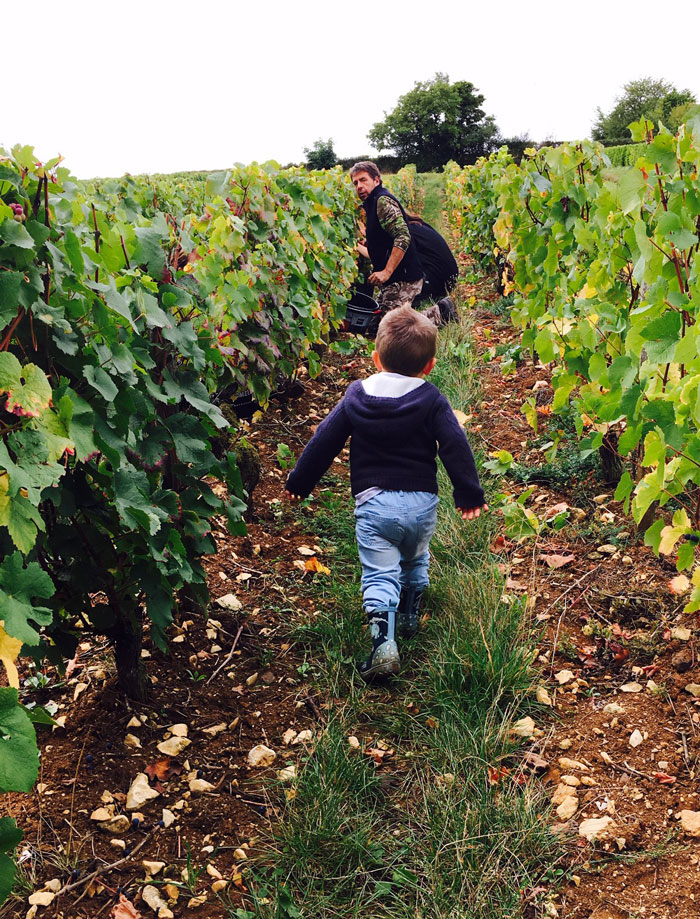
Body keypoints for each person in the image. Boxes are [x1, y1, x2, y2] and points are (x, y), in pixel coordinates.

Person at [284, 307, 487, 681]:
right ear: (429, 366)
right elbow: (455, 444)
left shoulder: (357, 396)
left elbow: (324, 441)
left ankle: (384, 645)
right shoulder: (431, 398)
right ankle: (409, 614)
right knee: (415, 558)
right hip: (421, 503)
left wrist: (300, 481)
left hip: (375, 504)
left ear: (375, 358)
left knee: (379, 574)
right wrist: (468, 493)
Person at [351, 161, 424, 315]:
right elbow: (379, 247)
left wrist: (386, 272)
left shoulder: (381, 201)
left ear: (376, 180)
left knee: (393, 328)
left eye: (363, 180)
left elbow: (403, 236)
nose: (359, 186)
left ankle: (441, 311)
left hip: (404, 280)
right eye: (355, 183)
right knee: (373, 325)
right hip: (393, 281)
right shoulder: (371, 203)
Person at [407, 215, 460, 324]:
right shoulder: (415, 225)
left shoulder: (405, 233)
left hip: (438, 279)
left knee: (399, 305)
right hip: (448, 277)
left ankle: (442, 312)